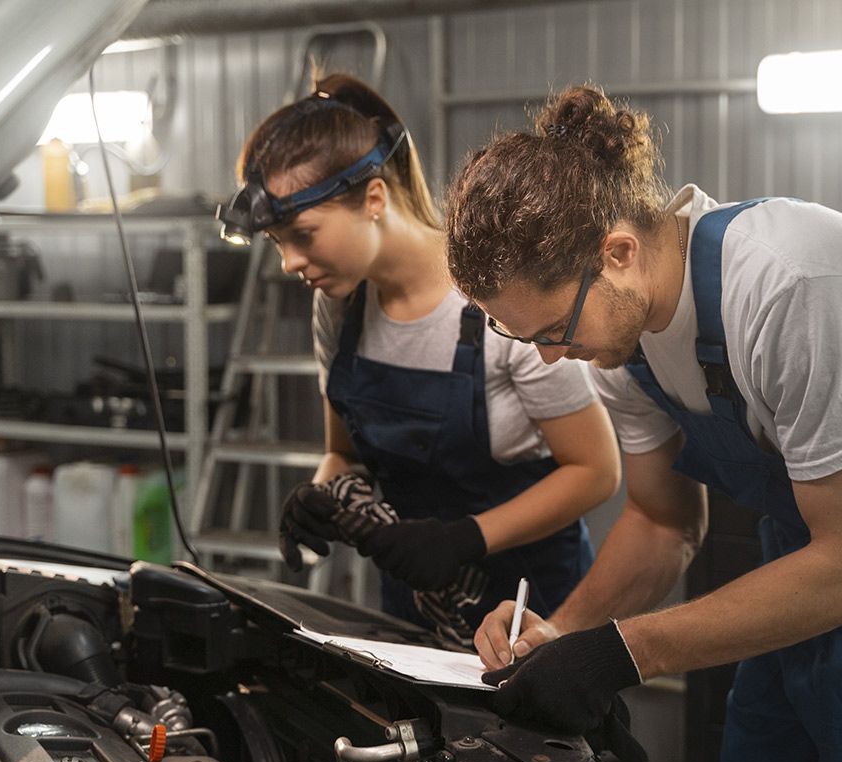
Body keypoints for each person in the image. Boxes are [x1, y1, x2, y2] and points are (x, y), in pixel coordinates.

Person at [443, 85, 842, 762]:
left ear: (619, 253)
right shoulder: (615, 342)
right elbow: (664, 523)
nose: (546, 358)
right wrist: (561, 638)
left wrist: (627, 651)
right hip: (799, 557)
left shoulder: (793, 286)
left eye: (550, 332)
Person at [219, 74, 620, 646]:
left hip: (530, 607)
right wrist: (322, 494)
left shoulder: (496, 298)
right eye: (277, 242)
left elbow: (596, 471)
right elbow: (343, 453)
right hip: (413, 604)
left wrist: (464, 539)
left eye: (302, 234)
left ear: (374, 199)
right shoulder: (339, 308)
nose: (288, 261)